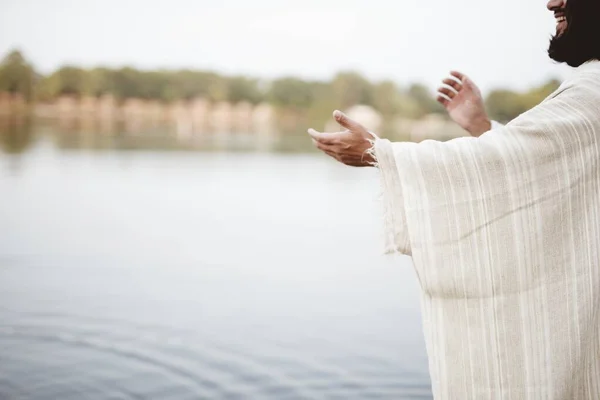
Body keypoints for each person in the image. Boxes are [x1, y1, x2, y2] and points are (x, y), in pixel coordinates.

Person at [308, 0, 600, 398]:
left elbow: (519, 159)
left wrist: (381, 153)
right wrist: (483, 128)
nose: (551, 2)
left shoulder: (592, 92)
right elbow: (540, 162)